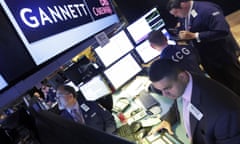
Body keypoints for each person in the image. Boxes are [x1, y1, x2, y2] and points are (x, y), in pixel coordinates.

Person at [148, 59, 240, 144]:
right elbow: (179, 103)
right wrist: (168, 120)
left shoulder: (224, 115)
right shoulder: (184, 82)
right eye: (161, 90)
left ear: (182, 77)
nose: (164, 95)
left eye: (167, 88)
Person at [166, 0, 240, 96]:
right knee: (223, 85)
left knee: (235, 80)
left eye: (175, 13)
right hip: (207, 58)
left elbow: (223, 30)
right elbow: (186, 26)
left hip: (222, 56)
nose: (175, 16)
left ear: (183, 5)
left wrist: (195, 36)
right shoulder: (184, 14)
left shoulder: (207, 10)